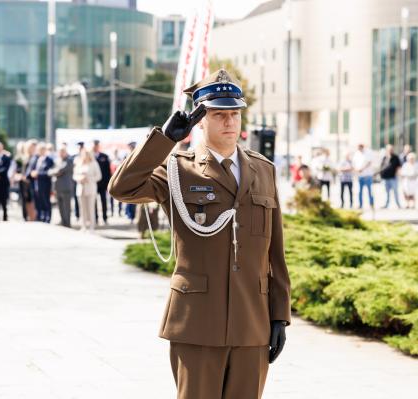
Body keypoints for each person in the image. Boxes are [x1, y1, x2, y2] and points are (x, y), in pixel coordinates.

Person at [108, 69, 290, 399]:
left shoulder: (263, 169)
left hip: (252, 320)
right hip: (196, 322)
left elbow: (274, 252)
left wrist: (280, 316)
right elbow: (122, 188)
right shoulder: (177, 167)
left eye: (234, 113)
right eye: (219, 115)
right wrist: (164, 140)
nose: (229, 122)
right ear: (200, 120)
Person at [73, 146, 102, 232]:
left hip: (90, 188)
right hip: (81, 189)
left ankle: (91, 226)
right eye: (83, 154)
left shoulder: (94, 164)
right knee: (82, 208)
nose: (85, 156)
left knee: (91, 208)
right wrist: (79, 179)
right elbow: (74, 175)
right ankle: (83, 226)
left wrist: (89, 179)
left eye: (86, 154)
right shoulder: (78, 163)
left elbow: (99, 176)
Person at [49, 144, 74, 228]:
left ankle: (67, 223)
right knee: (60, 206)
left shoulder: (69, 160)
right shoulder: (57, 161)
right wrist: (55, 171)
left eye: (62, 152)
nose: (61, 153)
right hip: (58, 187)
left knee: (67, 207)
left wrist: (56, 171)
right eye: (60, 152)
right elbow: (50, 171)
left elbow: (61, 170)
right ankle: (63, 221)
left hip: (66, 187)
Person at [31, 143, 54, 223]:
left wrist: (38, 174)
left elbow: (49, 172)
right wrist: (33, 173)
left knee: (46, 201)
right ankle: (40, 216)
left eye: (42, 150)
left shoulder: (49, 160)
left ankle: (47, 217)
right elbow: (33, 169)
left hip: (45, 184)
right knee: (39, 201)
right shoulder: (37, 159)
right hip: (37, 184)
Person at [93, 140, 112, 224]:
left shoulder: (104, 156)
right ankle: (95, 218)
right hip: (93, 184)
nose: (95, 147)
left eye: (97, 145)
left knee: (104, 201)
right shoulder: (90, 157)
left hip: (103, 184)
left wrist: (108, 183)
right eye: (94, 145)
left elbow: (108, 171)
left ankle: (105, 218)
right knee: (94, 202)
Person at [379, 144, 402, 209]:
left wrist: (397, 174)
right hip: (385, 178)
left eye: (391, 149)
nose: (390, 150)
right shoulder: (384, 157)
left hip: (393, 178)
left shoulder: (395, 157)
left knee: (395, 192)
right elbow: (381, 167)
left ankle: (398, 205)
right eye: (389, 149)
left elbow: (398, 167)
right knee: (386, 193)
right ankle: (386, 205)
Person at [353, 143, 375, 210]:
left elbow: (369, 162)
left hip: (367, 175)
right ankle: (360, 204)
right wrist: (357, 170)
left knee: (369, 191)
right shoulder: (357, 154)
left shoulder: (368, 152)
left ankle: (371, 204)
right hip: (360, 176)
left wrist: (362, 169)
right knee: (360, 191)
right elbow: (354, 163)